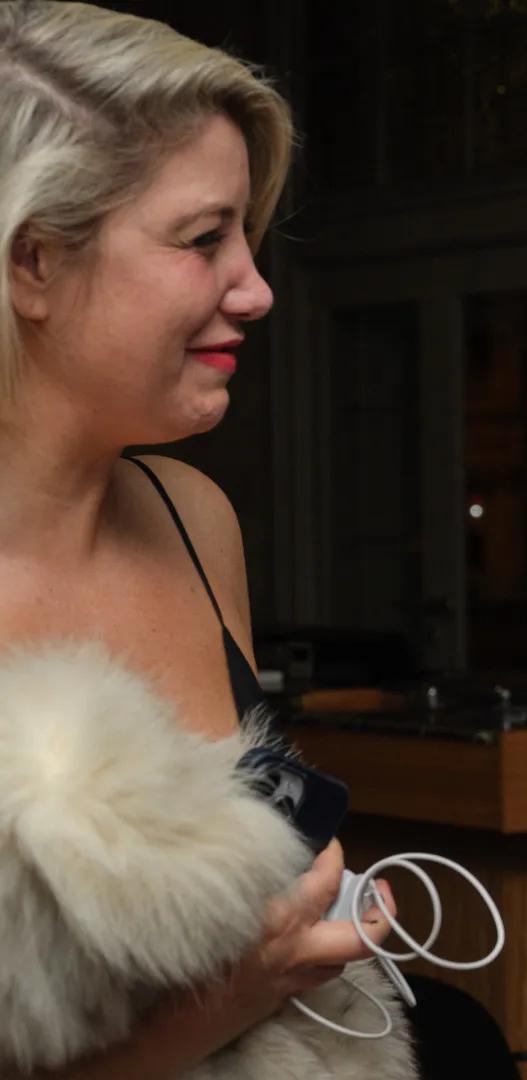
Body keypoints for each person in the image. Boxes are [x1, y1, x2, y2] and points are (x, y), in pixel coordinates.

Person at [0, 4, 393, 1077]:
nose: (256, 289)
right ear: (34, 261)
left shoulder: (192, 517)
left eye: (248, 237)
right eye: (203, 238)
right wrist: (228, 1002)